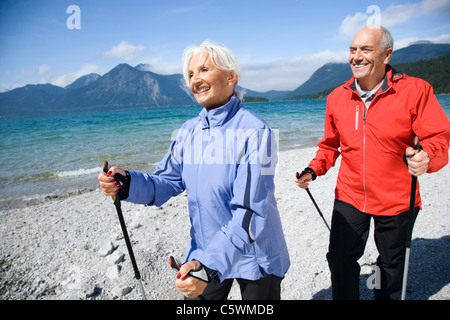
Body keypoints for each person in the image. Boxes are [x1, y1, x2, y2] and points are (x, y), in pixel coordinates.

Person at [99, 40, 290, 300]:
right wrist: (127, 183)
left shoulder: (256, 132)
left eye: (204, 70)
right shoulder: (188, 132)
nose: (195, 79)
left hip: (254, 255)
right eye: (190, 74)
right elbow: (165, 182)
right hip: (206, 251)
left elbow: (249, 213)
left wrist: (209, 267)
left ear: (231, 77)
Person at [295, 26, 450, 300]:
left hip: (397, 198)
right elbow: (330, 145)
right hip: (351, 195)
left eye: (366, 50)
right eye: (353, 50)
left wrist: (427, 157)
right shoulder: (337, 97)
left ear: (386, 54)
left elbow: (438, 137)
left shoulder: (416, 90)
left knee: (389, 265)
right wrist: (313, 170)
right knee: (341, 258)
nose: (357, 56)